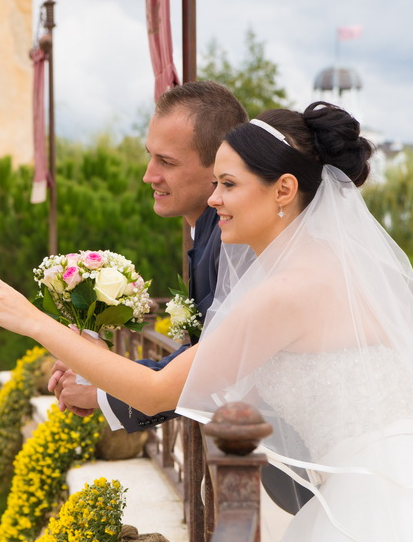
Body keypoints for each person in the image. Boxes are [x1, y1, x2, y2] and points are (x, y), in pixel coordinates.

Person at [0, 101, 413, 542]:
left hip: (377, 508)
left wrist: (35, 321)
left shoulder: (286, 291)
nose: (214, 201)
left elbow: (157, 392)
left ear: (284, 190)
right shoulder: (325, 267)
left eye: (229, 185)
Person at [48, 80, 312, 515]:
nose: (149, 174)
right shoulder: (213, 234)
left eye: (165, 161)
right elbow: (211, 356)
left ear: (219, 164)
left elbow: (214, 371)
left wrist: (101, 387)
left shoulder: (237, 242)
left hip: (301, 468)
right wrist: (102, 371)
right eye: (150, 155)